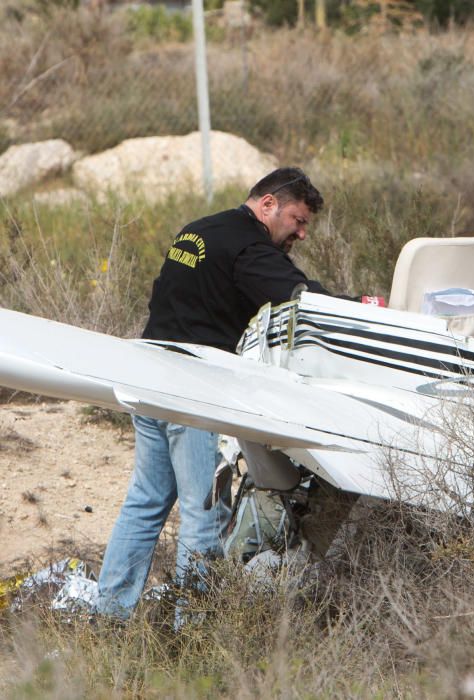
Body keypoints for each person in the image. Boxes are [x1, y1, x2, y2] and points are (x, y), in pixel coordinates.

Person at [96, 167, 335, 619]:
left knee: (145, 502)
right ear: (268, 205)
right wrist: (358, 305)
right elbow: (303, 299)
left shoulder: (198, 230)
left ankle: (108, 616)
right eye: (298, 221)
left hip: (148, 375)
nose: (301, 234)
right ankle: (193, 627)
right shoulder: (248, 246)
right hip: (191, 390)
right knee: (203, 512)